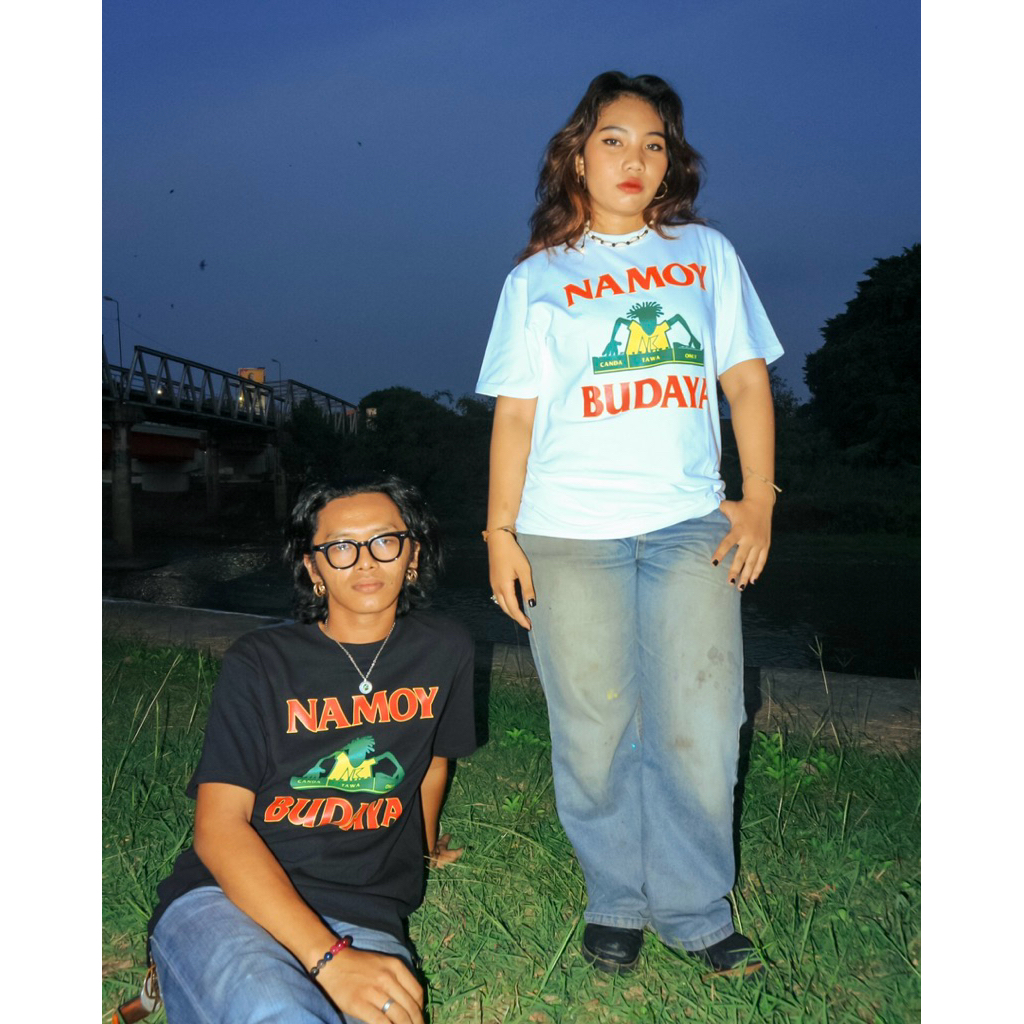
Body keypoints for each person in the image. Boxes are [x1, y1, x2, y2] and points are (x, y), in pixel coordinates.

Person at [476, 71, 782, 979]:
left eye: (654, 144)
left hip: (690, 523)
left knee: (703, 720)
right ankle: (615, 895)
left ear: (671, 163)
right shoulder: (535, 279)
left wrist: (760, 496)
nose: (634, 159)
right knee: (594, 726)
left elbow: (745, 380)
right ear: (577, 156)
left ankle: (694, 908)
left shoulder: (705, 254)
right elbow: (516, 417)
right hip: (567, 532)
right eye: (613, 139)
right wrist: (500, 533)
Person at [146, 476, 477, 1024]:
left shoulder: (445, 649)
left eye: (384, 541)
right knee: (275, 1010)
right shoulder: (261, 661)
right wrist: (328, 959)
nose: (365, 561)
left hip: (365, 911)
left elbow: (431, 765)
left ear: (413, 555)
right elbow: (219, 826)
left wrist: (420, 852)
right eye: (341, 547)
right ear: (314, 567)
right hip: (229, 896)